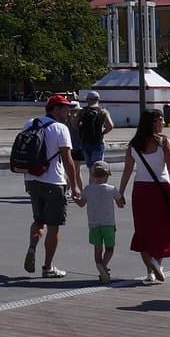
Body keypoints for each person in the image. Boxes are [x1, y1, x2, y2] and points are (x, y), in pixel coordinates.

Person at [117, 109, 170, 284]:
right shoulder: (163, 142)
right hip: (161, 190)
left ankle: (150, 272)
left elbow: (127, 170)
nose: (163, 122)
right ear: (154, 122)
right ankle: (157, 262)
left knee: (143, 229)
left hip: (140, 189)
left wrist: (121, 193)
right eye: (161, 119)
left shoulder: (133, 144)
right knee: (165, 228)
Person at [21, 94, 81, 278]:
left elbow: (25, 154)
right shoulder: (60, 128)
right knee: (54, 226)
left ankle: (32, 247)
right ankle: (48, 267)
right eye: (65, 108)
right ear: (55, 109)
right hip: (53, 182)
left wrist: (26, 180)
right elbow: (67, 159)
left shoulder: (30, 123)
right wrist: (76, 185)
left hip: (32, 180)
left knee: (38, 220)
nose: (68, 112)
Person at [72, 162, 125, 283]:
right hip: (108, 224)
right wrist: (121, 200)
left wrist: (75, 198)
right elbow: (120, 204)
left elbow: (81, 204)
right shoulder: (111, 189)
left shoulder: (88, 189)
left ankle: (100, 266)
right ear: (107, 175)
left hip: (93, 224)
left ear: (92, 175)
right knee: (110, 248)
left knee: (97, 248)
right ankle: (104, 266)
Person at [74, 90, 114, 186]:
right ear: (98, 99)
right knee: (97, 167)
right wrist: (102, 133)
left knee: (90, 167)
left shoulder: (82, 111)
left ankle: (91, 185)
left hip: (85, 142)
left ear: (88, 100)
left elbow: (74, 123)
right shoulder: (103, 111)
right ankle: (96, 186)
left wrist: (81, 130)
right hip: (98, 142)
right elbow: (110, 125)